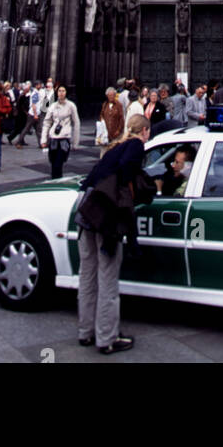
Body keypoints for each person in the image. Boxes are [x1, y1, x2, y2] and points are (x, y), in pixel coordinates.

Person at [75, 114, 154, 355]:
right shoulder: (135, 145)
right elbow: (126, 171)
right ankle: (107, 337)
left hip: (85, 207)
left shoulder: (115, 147)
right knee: (108, 275)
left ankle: (85, 332)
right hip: (104, 213)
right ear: (145, 131)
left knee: (87, 274)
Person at [41, 84, 81, 179]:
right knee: (53, 163)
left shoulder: (71, 106)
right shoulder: (53, 106)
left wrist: (75, 142)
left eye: (63, 91)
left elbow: (76, 124)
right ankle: (54, 182)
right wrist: (43, 140)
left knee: (59, 164)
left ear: (66, 92)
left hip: (64, 138)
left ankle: (57, 181)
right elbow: (47, 122)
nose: (61, 93)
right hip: (53, 138)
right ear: (56, 92)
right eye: (59, 91)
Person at [99, 87, 124, 154]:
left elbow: (121, 119)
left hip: (115, 134)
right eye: (109, 95)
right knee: (104, 153)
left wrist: (118, 130)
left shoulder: (119, 105)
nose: (111, 97)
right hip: (105, 134)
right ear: (107, 96)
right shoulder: (105, 105)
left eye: (113, 95)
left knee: (114, 153)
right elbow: (101, 115)